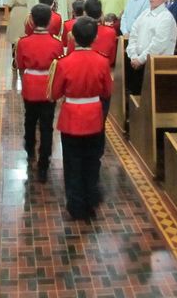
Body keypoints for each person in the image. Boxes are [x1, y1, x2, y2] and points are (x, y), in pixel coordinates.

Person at [49, 16, 113, 220]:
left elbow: (55, 93)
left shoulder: (64, 63)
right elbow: (107, 91)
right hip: (94, 116)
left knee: (72, 163)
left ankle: (75, 205)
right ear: (95, 38)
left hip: (71, 118)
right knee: (92, 160)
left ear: (73, 37)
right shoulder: (102, 61)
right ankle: (91, 201)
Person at [16, 4, 63, 183]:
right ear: (50, 21)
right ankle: (44, 162)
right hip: (48, 86)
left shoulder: (23, 42)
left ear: (32, 21)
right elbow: (59, 67)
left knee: (29, 119)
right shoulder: (56, 43)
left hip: (30, 85)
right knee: (46, 125)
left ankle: (29, 150)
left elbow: (20, 65)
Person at [126, 0, 177, 94]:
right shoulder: (145, 13)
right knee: (133, 93)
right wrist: (133, 55)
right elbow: (134, 34)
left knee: (148, 96)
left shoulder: (166, 18)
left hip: (155, 66)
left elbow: (158, 44)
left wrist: (140, 60)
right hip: (137, 62)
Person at [67, 0, 117, 66]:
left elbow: (70, 55)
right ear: (101, 13)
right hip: (103, 66)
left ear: (84, 13)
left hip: (77, 66)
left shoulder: (76, 30)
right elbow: (111, 59)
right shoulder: (111, 32)